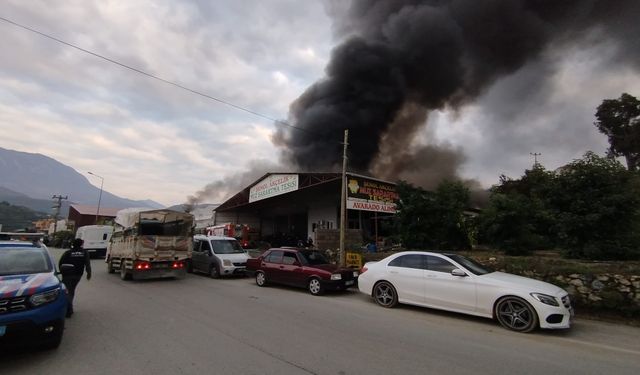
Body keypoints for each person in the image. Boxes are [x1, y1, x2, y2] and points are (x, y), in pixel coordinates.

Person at [58, 238, 91, 318]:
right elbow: (87, 264)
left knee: (67, 291)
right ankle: (69, 308)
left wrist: (62, 271)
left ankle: (68, 309)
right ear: (81, 244)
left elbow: (61, 263)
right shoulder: (84, 252)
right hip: (78, 275)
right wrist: (89, 273)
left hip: (67, 274)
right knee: (71, 291)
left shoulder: (68, 252)